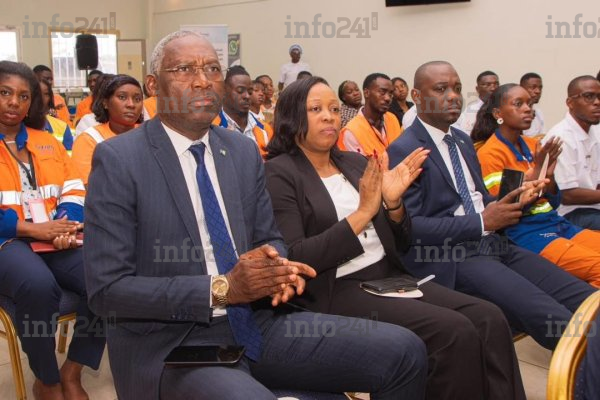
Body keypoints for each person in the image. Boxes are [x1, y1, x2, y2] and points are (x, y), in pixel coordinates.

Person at [83, 30, 428, 400]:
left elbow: (270, 238)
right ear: (153, 85)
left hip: (257, 320)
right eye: (184, 69)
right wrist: (222, 289)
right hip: (177, 342)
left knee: (405, 351)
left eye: (212, 69)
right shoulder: (121, 159)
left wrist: (275, 269)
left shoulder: (241, 151)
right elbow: (107, 291)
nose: (202, 81)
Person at [265, 77, 526, 400]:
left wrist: (393, 204)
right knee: (453, 331)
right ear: (293, 117)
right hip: (337, 287)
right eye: (316, 109)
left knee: (489, 317)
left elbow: (402, 240)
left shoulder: (355, 163)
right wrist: (363, 212)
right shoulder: (279, 173)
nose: (329, 117)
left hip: (388, 276)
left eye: (333, 109)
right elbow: (297, 257)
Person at [387, 61, 597, 351]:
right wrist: (483, 221)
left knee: (587, 299)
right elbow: (410, 228)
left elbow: (481, 199)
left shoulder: (462, 141)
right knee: (557, 320)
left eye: (457, 88)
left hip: (495, 243)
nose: (453, 96)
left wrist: (522, 194)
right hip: (453, 255)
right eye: (441, 89)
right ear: (417, 96)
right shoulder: (404, 149)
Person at [0, 61, 105, 400]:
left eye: (23, 96)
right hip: (7, 240)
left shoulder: (47, 140)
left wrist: (64, 223)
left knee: (107, 276)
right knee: (38, 284)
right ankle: (46, 379)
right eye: (4, 93)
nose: (14, 102)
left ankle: (72, 370)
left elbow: (74, 188)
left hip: (54, 234)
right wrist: (34, 229)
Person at [474, 83, 600, 288]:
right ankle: (582, 308)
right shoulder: (490, 154)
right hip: (526, 233)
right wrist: (537, 171)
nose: (528, 109)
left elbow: (554, 201)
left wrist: (548, 177)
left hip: (556, 223)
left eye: (530, 104)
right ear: (498, 113)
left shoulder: (533, 145)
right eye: (518, 104)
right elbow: (506, 209)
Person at [545, 76, 600, 230]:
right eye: (589, 96)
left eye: (599, 96)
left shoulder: (595, 131)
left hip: (594, 207)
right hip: (569, 213)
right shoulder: (560, 137)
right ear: (570, 103)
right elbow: (567, 196)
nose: (597, 102)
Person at [71, 74, 143, 186]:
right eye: (122, 97)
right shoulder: (89, 139)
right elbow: (89, 187)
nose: (131, 104)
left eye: (137, 99)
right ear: (105, 103)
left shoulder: (150, 136)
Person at [212, 66, 273, 159]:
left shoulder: (265, 129)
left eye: (250, 92)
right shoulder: (211, 129)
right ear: (223, 91)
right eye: (240, 91)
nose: (247, 96)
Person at [338, 73, 402, 155]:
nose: (388, 98)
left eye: (390, 94)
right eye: (382, 92)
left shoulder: (392, 118)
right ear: (366, 93)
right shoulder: (351, 131)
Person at [455, 70, 499, 136]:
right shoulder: (469, 112)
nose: (493, 88)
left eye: (496, 84)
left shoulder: (504, 109)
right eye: (487, 85)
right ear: (477, 89)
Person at [74, 74, 115, 138]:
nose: (92, 84)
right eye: (89, 81)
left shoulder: (129, 122)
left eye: (95, 80)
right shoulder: (88, 121)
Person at [39, 78, 73, 153]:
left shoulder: (62, 128)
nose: (41, 98)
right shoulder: (16, 127)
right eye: (37, 93)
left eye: (46, 94)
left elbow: (69, 157)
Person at [520, 72, 545, 137]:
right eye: (533, 87)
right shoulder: (515, 114)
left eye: (540, 88)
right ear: (521, 89)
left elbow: (542, 137)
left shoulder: (539, 113)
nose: (538, 91)